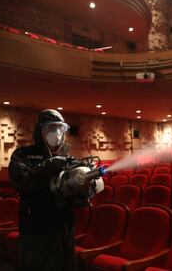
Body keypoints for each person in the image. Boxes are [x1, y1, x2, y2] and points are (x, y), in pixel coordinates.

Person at [9, 109, 102, 271]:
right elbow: (22, 183)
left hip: (65, 226)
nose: (57, 133)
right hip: (37, 228)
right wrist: (50, 165)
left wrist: (86, 186)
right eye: (52, 128)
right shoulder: (23, 155)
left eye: (60, 128)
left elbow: (75, 196)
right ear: (40, 130)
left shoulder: (68, 159)